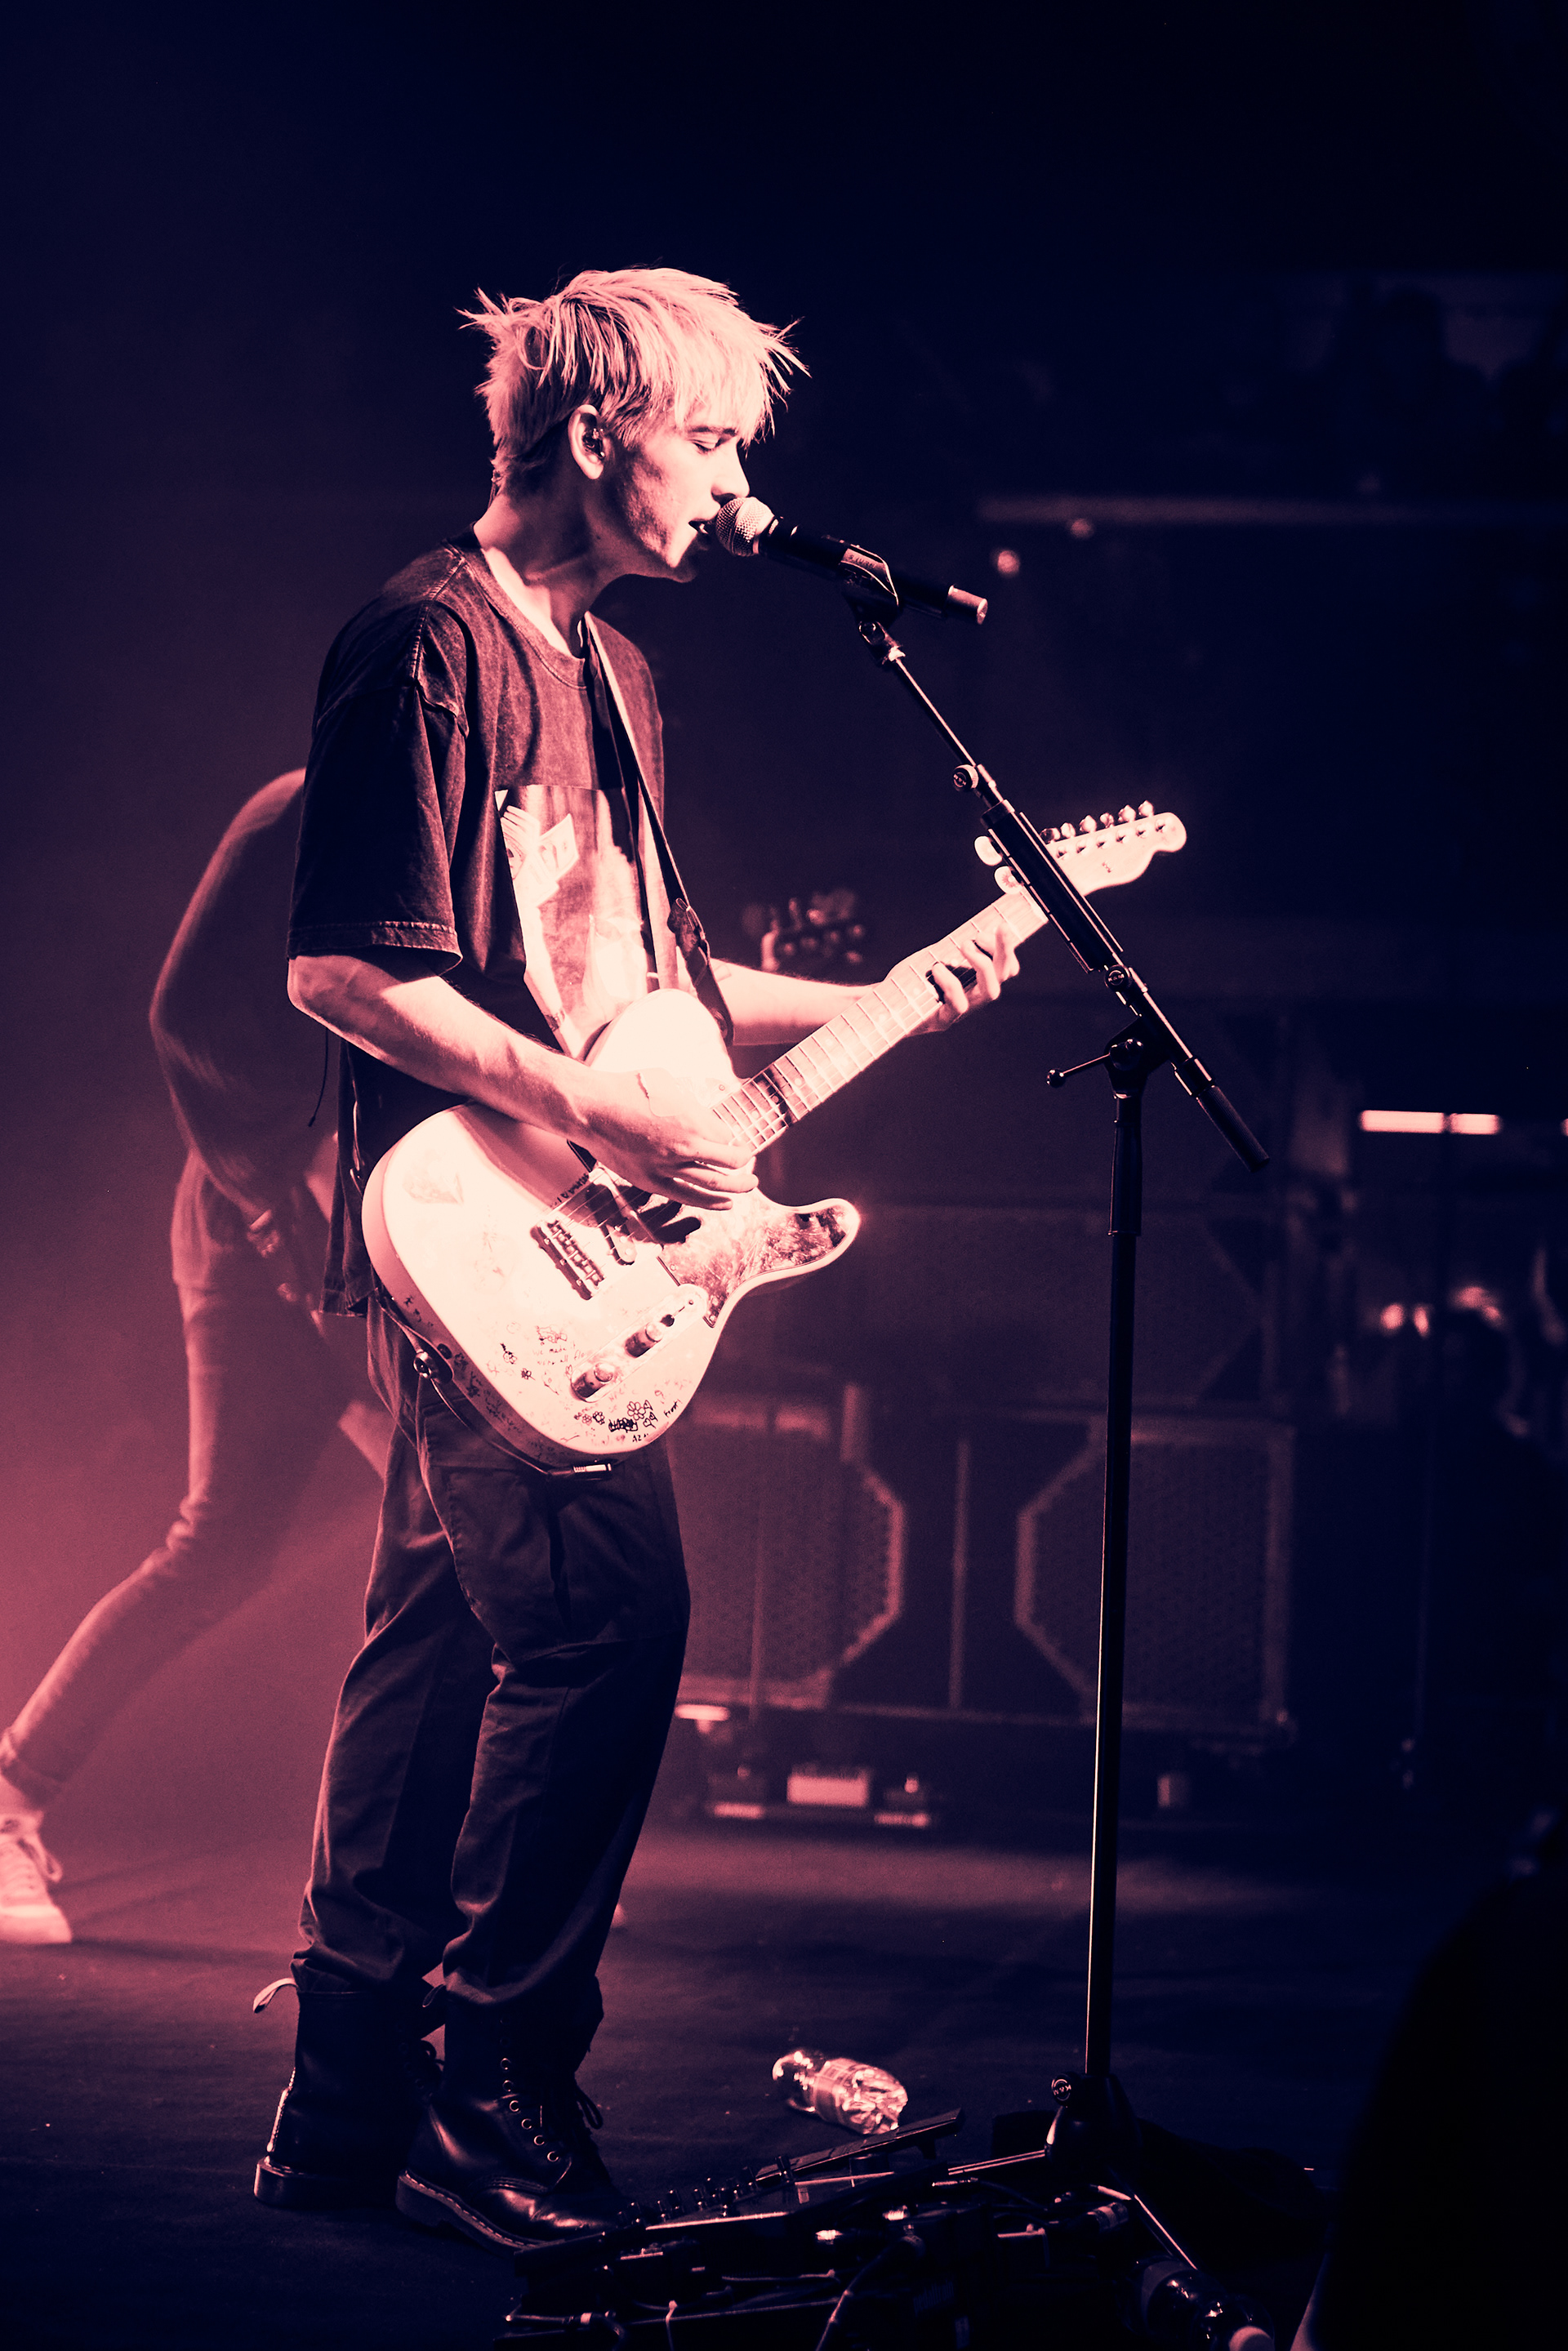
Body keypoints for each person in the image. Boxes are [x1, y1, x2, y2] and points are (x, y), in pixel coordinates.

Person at [256, 267, 1018, 2251]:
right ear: (597, 432)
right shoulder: (427, 643)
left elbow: (655, 990)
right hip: (468, 1226)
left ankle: (347, 2107)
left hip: (560, 1233)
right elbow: (341, 970)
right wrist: (604, 1120)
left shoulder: (620, 680)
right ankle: (490, 2075)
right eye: (712, 439)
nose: (740, 486)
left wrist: (898, 991)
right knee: (607, 1627)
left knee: (437, 1642)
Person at [0, 773, 389, 1946]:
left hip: (398, 1238)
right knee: (221, 1543)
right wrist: (285, 1203)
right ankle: (10, 1795)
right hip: (261, 1229)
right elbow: (192, 1025)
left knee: (464, 1536)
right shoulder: (307, 808)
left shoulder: (485, 818)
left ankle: (456, 1857)